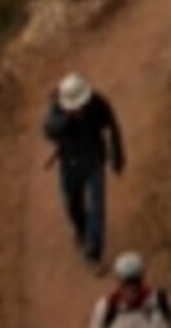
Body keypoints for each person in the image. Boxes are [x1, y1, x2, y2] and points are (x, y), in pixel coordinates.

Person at [42, 69, 126, 268]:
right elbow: (48, 130)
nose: (81, 108)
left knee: (97, 206)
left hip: (95, 160)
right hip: (70, 163)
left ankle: (93, 251)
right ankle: (81, 230)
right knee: (73, 204)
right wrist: (68, 121)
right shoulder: (56, 109)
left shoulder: (98, 103)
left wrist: (117, 155)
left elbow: (113, 127)